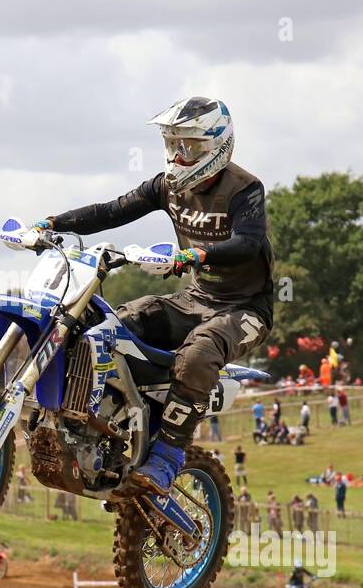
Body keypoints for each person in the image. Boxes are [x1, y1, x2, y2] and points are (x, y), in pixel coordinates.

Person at [31, 96, 273, 495]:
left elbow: (249, 242)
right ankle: (101, 422)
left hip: (245, 308)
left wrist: (195, 254)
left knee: (198, 353)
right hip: (194, 298)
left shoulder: (244, 189)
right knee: (115, 324)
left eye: (190, 146)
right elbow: (113, 210)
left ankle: (168, 455)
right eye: (174, 144)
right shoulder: (167, 187)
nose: (179, 156)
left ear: (218, 146)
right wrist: (55, 222)